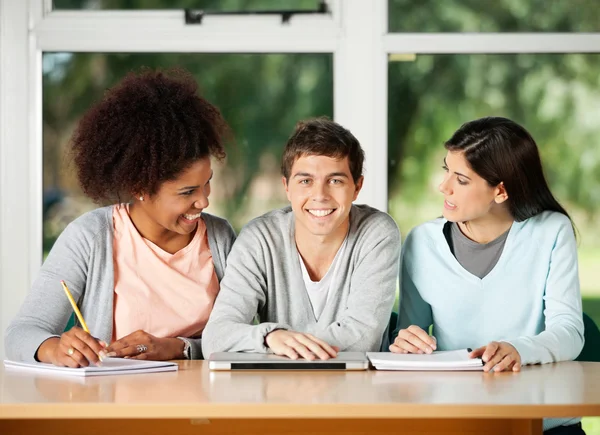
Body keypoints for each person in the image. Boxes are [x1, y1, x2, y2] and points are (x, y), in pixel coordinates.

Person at [5, 68, 235, 366]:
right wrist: (55, 348)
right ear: (140, 187)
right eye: (187, 192)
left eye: (207, 183)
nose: (204, 200)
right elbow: (20, 334)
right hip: (115, 404)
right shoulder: (90, 237)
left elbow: (241, 338)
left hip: (203, 406)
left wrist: (178, 347)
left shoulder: (220, 238)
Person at [390, 117, 585, 434]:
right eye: (446, 170)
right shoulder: (421, 243)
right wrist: (405, 345)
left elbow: (570, 332)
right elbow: (410, 334)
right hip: (455, 422)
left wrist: (519, 350)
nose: (444, 187)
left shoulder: (551, 231)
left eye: (461, 180)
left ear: (501, 191)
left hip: (543, 423)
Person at [201, 117, 400, 360]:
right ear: (287, 186)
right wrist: (270, 337)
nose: (320, 195)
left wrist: (280, 344)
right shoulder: (260, 239)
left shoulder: (376, 233)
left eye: (335, 181)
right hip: (280, 392)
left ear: (357, 187)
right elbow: (215, 339)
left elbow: (363, 338)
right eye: (306, 181)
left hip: (356, 389)